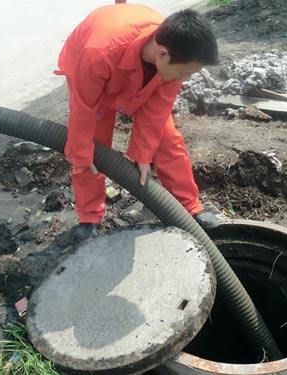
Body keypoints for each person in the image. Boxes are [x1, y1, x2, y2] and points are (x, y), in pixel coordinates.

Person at [56, 3, 220, 241]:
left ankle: (190, 207)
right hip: (91, 72)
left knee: (168, 139)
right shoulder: (99, 53)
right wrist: (81, 153)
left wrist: (142, 155)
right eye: (185, 73)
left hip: (132, 62)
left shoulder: (175, 54)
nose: (185, 79)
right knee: (90, 146)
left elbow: (156, 111)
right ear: (163, 54)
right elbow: (83, 110)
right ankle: (89, 216)